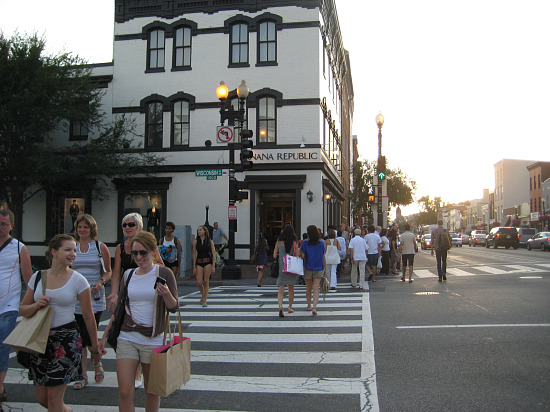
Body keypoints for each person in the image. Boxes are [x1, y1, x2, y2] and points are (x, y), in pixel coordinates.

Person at [20, 234, 101, 412]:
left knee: (54, 401)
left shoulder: (78, 280)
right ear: (54, 252)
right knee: (43, 399)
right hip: (39, 341)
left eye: (74, 250)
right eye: (68, 249)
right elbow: (23, 309)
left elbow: (88, 316)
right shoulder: (38, 277)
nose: (73, 253)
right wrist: (36, 304)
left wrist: (95, 347)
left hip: (66, 340)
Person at [99, 231, 178, 412]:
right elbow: (119, 309)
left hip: (153, 338)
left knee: (152, 391)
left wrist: (166, 294)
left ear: (153, 252)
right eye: (135, 253)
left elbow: (174, 307)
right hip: (127, 337)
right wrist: (104, 336)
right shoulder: (129, 274)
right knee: (125, 392)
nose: (139, 257)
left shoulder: (163, 273)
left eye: (143, 252)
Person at [108, 213, 163, 389]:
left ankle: (138, 372)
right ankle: (131, 366)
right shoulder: (120, 247)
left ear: (139, 226)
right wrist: (115, 293)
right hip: (128, 292)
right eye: (124, 225)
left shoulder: (147, 244)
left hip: (146, 292)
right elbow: (116, 272)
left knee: (141, 329)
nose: (127, 228)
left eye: (131, 224)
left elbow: (162, 268)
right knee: (124, 328)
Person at [72, 214, 112, 390]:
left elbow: (108, 271)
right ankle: (82, 373)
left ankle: (96, 362)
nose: (82, 230)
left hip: (94, 296)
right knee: (78, 336)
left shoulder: (99, 247)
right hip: (74, 297)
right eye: (80, 227)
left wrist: (101, 282)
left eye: (85, 227)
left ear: (92, 229)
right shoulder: (71, 246)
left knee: (90, 333)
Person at [0, 209, 33, 403]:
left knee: (2, 347)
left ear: (12, 225)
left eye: (4, 224)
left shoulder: (19, 248)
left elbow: (29, 279)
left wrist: (31, 304)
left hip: (8, 305)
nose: (1, 227)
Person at [273, 225, 299, 317]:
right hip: (291, 267)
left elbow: (274, 256)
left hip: (281, 267)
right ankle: (290, 307)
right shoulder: (294, 242)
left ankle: (280, 306)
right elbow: (296, 254)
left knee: (281, 290)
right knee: (291, 289)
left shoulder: (279, 242)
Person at [300, 225, 326, 315]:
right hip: (319, 267)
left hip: (308, 267)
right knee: (316, 288)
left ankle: (309, 305)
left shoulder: (305, 243)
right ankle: (314, 307)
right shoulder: (321, 243)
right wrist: (325, 268)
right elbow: (323, 256)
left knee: (308, 288)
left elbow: (302, 256)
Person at [193, 225, 216, 307]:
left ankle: (204, 300)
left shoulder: (210, 241)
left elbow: (213, 254)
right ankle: (203, 295)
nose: (199, 231)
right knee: (199, 282)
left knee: (206, 281)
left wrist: (213, 265)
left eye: (200, 230)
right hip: (199, 261)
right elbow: (194, 254)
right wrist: (194, 266)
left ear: (204, 231)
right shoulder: (196, 241)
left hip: (207, 261)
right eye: (198, 230)